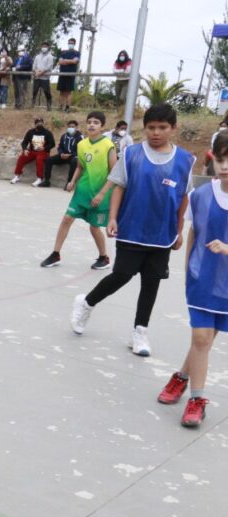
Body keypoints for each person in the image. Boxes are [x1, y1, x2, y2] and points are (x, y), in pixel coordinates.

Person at [70, 103, 195, 356]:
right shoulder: (131, 154)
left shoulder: (185, 160)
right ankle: (86, 303)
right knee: (122, 275)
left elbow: (183, 199)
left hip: (162, 234)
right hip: (132, 227)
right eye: (151, 127)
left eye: (162, 127)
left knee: (151, 283)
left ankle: (140, 332)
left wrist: (179, 230)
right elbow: (119, 187)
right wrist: (113, 218)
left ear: (173, 128)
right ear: (144, 128)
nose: (156, 132)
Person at [156, 130, 228, 427]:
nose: (225, 166)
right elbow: (194, 234)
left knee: (205, 342)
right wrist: (188, 273)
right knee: (200, 337)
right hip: (202, 279)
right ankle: (198, 400)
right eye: (221, 159)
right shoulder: (200, 195)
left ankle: (181, 377)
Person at [40, 111, 117, 269]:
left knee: (94, 227)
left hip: (99, 194)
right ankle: (55, 254)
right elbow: (81, 166)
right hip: (82, 191)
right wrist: (72, 181)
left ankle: (104, 257)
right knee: (67, 218)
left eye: (96, 122)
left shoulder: (108, 145)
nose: (91, 124)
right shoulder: (82, 144)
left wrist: (102, 194)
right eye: (89, 121)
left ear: (102, 127)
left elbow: (114, 173)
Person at [10, 117, 55, 186]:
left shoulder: (47, 133)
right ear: (35, 124)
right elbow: (24, 142)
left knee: (39, 159)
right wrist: (25, 149)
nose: (40, 124)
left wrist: (44, 148)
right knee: (21, 158)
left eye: (41, 123)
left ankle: (39, 178)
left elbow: (52, 144)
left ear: (43, 123)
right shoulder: (30, 132)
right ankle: (17, 176)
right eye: (38, 123)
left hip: (43, 152)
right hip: (32, 151)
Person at [41, 119, 83, 187]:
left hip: (73, 156)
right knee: (49, 160)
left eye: (73, 127)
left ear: (76, 128)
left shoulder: (80, 137)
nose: (71, 128)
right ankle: (47, 181)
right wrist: (61, 153)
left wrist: (71, 155)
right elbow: (60, 147)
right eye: (69, 127)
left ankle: (69, 182)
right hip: (63, 155)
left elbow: (81, 150)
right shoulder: (64, 136)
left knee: (74, 162)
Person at [56, 38, 80, 112]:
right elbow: (60, 62)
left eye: (72, 43)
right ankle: (60, 107)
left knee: (68, 92)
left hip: (70, 74)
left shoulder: (76, 53)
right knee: (61, 91)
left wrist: (65, 60)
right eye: (69, 43)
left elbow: (74, 61)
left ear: (74, 44)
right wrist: (69, 61)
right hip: (62, 74)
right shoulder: (63, 52)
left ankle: (67, 107)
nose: (70, 44)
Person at [32, 42, 55, 110]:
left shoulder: (50, 57)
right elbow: (34, 66)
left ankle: (49, 106)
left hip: (45, 78)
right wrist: (36, 71)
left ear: (48, 47)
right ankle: (32, 104)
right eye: (43, 46)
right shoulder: (37, 56)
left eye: (45, 46)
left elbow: (49, 67)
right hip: (37, 77)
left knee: (47, 92)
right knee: (34, 91)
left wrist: (41, 72)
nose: (44, 48)